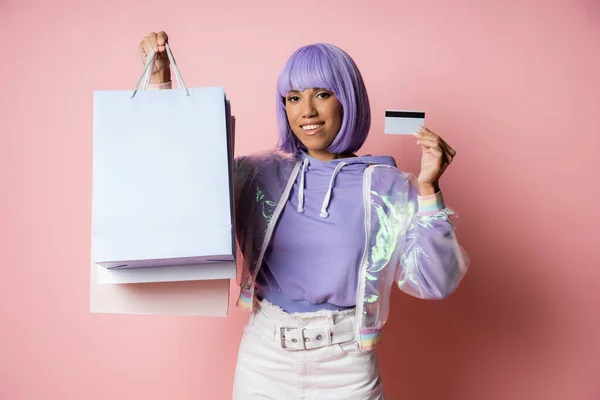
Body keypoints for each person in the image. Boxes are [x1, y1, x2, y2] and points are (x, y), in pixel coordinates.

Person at [138, 31, 469, 400]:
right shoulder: (258, 173)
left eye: (322, 94)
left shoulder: (387, 186)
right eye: (294, 98)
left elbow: (435, 282)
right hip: (264, 359)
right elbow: (180, 182)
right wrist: (159, 84)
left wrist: (428, 189)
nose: (306, 111)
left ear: (349, 101)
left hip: (346, 365)